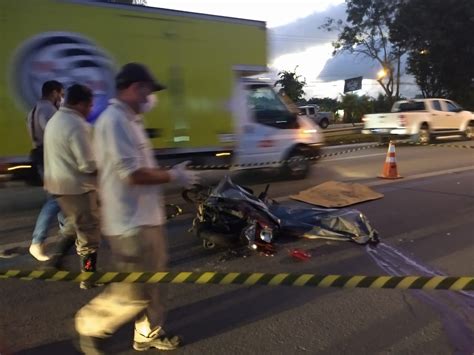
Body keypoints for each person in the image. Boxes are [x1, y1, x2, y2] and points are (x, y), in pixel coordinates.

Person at [75, 63, 198, 353]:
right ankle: (89, 322)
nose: (150, 97)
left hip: (146, 218)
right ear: (134, 87)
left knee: (152, 284)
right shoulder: (115, 120)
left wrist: (168, 172)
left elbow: (142, 168)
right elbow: (131, 174)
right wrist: (173, 176)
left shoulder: (131, 121)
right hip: (129, 222)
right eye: (148, 90)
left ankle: (147, 333)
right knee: (134, 291)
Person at [43, 84, 100, 289]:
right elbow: (88, 164)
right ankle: (89, 276)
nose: (91, 110)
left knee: (74, 223)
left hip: (57, 185)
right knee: (88, 232)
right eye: (90, 105)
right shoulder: (77, 125)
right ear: (81, 103)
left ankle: (56, 259)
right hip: (77, 187)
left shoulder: (55, 120)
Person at [27, 80, 66, 261]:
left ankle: (66, 234)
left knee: (58, 197)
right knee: (56, 198)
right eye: (60, 94)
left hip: (39, 155)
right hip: (48, 158)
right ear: (54, 92)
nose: (61, 97)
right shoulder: (48, 110)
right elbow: (56, 135)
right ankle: (37, 241)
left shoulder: (33, 110)